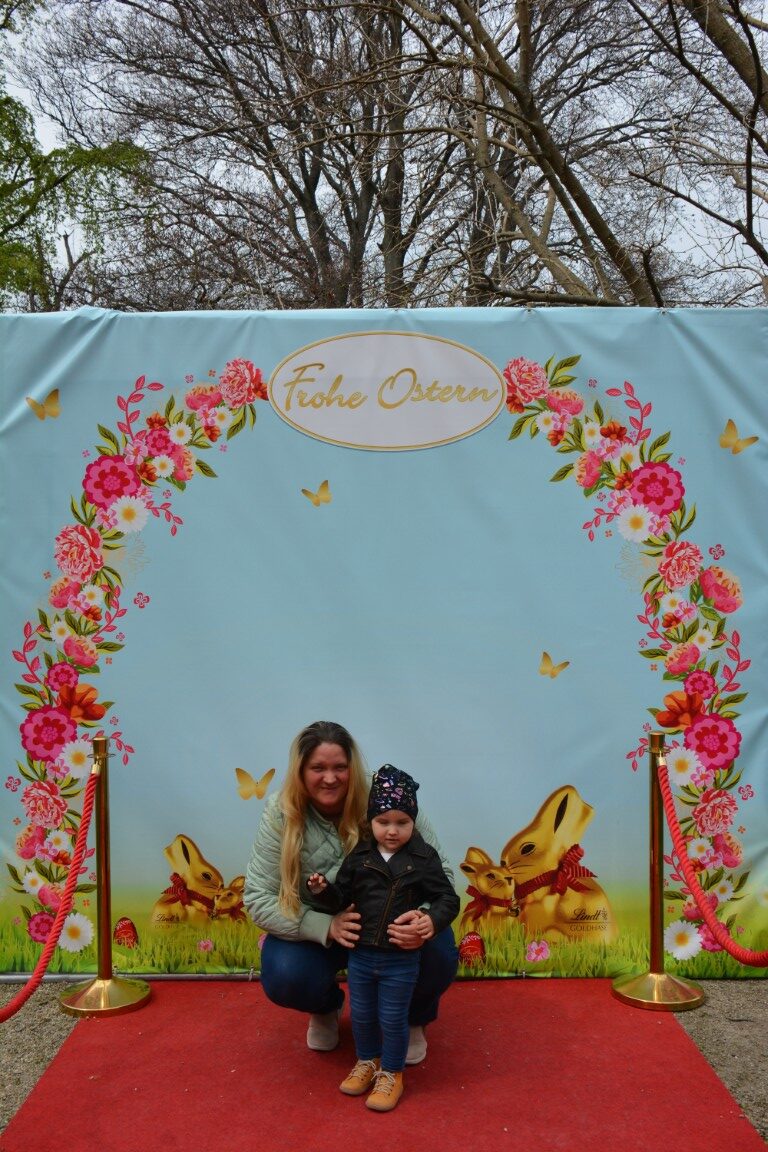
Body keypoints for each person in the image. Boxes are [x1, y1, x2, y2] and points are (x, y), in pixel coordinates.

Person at [243, 721, 459, 1070]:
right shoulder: (280, 812)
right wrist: (324, 925)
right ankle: (325, 1007)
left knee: (438, 952)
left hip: (393, 928)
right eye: (318, 768)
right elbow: (257, 897)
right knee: (286, 973)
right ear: (300, 771)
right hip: (324, 930)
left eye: (339, 767)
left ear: (352, 767)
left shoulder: (389, 796)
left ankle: (413, 1017)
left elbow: (442, 874)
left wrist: (423, 917)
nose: (330, 778)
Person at [307, 763, 459, 1110]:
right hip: (361, 956)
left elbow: (448, 898)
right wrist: (322, 891)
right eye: (383, 821)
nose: (392, 831)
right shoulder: (360, 856)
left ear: (413, 822)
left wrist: (431, 920)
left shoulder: (423, 857)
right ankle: (367, 1062)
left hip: (401, 959)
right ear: (370, 821)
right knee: (361, 1016)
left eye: (402, 822)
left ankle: (392, 1073)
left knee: (392, 1017)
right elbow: (341, 899)